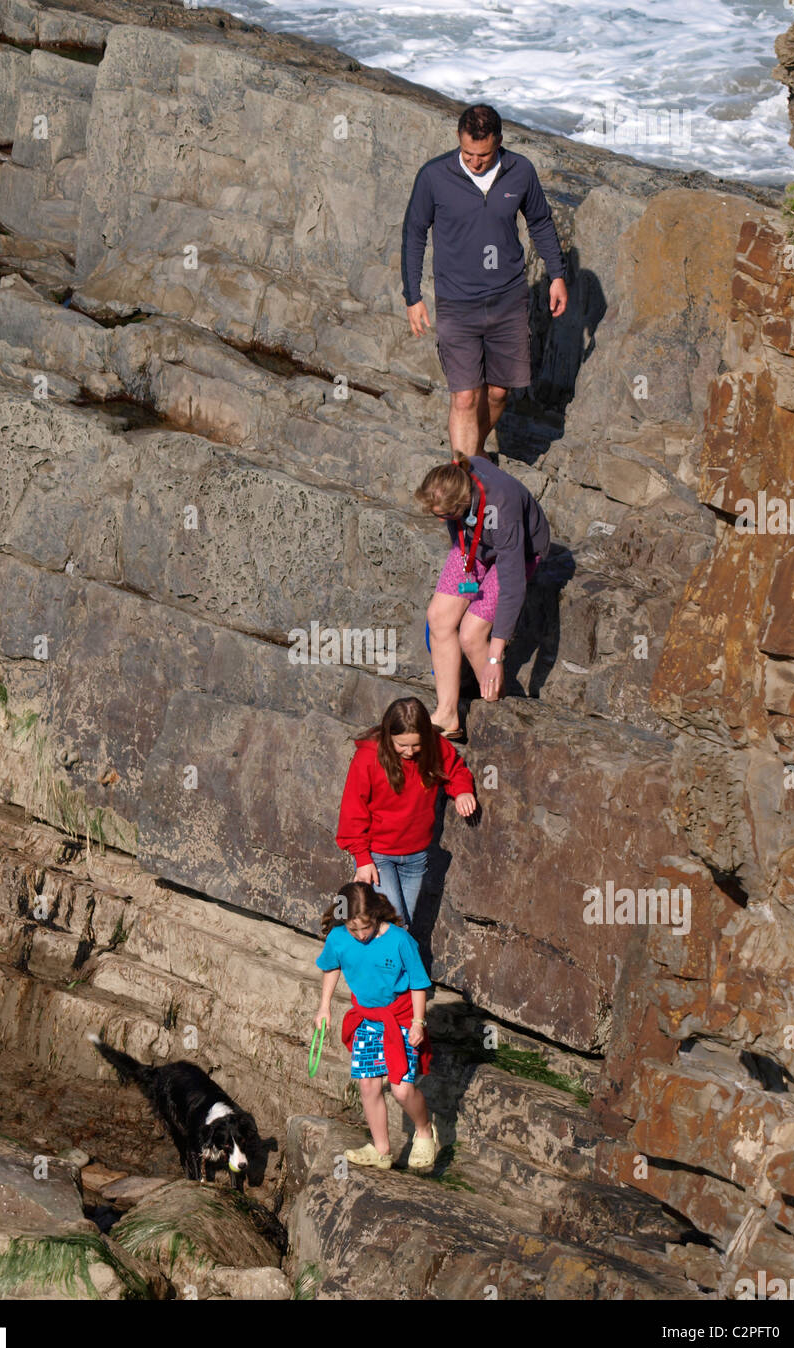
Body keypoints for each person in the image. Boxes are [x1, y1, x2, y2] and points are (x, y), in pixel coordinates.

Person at [401, 103, 568, 458]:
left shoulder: (520, 171)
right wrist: (412, 296)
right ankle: (465, 477)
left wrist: (557, 275)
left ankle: (472, 453)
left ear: (499, 143)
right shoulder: (434, 177)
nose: (475, 162)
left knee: (497, 393)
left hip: (508, 299)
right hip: (456, 301)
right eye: (467, 153)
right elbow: (414, 233)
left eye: (483, 154)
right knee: (464, 395)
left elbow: (540, 221)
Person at [416, 452, 550, 736]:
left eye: (444, 515)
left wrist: (494, 656)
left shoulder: (503, 504)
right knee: (438, 617)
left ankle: (493, 712)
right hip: (474, 545)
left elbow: (513, 586)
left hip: (519, 552)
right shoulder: (457, 476)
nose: (440, 522)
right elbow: (459, 527)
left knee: (472, 634)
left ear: (463, 502)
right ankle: (447, 713)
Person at [314, 881, 435, 1169]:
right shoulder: (339, 938)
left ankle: (424, 1131)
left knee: (402, 1089)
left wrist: (418, 1023)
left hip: (402, 1017)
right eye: (353, 928)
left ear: (377, 914)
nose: (359, 935)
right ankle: (381, 1149)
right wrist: (324, 1006)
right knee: (368, 1085)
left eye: (364, 927)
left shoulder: (400, 940)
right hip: (368, 1018)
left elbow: (418, 983)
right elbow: (331, 968)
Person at [336, 696, 476, 927]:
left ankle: (377, 962)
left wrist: (462, 791)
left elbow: (455, 770)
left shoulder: (435, 746)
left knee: (400, 924)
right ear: (388, 735)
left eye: (416, 744)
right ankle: (366, 961)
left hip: (416, 856)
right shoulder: (367, 758)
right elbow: (353, 811)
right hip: (378, 856)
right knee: (395, 925)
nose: (410, 752)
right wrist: (362, 858)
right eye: (402, 745)